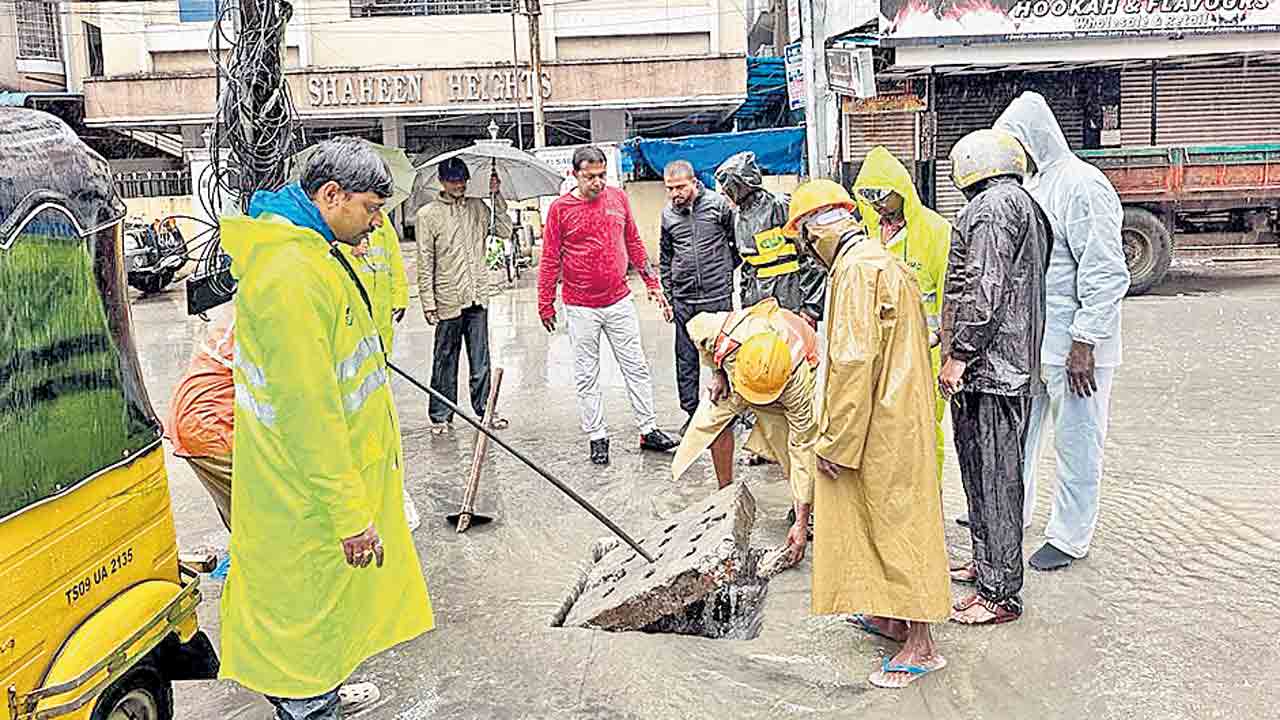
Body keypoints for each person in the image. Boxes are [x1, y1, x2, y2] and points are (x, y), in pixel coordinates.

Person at [218, 137, 433, 720]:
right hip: (302, 490)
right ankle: (311, 705)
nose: (376, 223)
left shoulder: (314, 251)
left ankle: (319, 692)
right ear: (330, 195)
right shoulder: (291, 274)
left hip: (313, 482)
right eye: (370, 209)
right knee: (303, 621)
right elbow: (309, 411)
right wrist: (350, 514)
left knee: (323, 612)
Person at [784, 179, 951, 689]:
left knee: (899, 523)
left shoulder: (857, 272)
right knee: (878, 519)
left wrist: (835, 441)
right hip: (892, 414)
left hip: (881, 421)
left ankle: (921, 644)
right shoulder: (878, 259)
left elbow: (854, 363)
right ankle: (891, 615)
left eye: (805, 242)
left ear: (817, 235)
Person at [995, 91, 1131, 571]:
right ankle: (1012, 513)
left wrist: (1084, 341)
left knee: (1077, 442)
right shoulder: (1033, 186)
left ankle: (1070, 536)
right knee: (1020, 435)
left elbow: (1106, 270)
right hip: (1035, 343)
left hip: (1077, 350)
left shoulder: (1082, 184)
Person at [939, 129, 1052, 626]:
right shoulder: (1024, 204)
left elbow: (983, 287)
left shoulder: (988, 210)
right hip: (1006, 365)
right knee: (988, 478)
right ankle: (989, 567)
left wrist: (959, 355)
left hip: (990, 370)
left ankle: (1001, 592)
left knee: (995, 480)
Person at [537, 145, 680, 465]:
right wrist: (545, 301)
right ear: (574, 175)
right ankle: (597, 436)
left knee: (637, 366)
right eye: (590, 177)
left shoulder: (618, 199)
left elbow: (633, 241)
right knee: (587, 374)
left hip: (619, 300)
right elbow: (549, 259)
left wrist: (652, 282)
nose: (597, 182)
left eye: (602, 175)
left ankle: (648, 429)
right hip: (580, 306)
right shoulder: (560, 210)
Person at [670, 298, 819, 557]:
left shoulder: (797, 382)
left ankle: (806, 511)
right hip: (740, 376)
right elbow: (694, 329)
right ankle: (725, 497)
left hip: (788, 370)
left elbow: (803, 448)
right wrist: (717, 373)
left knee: (789, 450)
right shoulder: (724, 333)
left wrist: (801, 523)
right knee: (711, 418)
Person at [852, 146, 951, 483]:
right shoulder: (867, 235)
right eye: (869, 196)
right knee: (883, 430)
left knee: (923, 428)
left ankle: (928, 500)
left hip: (926, 350)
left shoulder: (935, 231)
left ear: (902, 190)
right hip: (879, 349)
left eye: (882, 194)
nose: (877, 204)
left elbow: (949, 294)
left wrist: (944, 342)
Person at [416, 156, 511, 435]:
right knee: (445, 358)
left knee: (481, 358)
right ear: (442, 182)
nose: (458, 185)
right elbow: (424, 260)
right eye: (453, 180)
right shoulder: (428, 215)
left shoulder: (478, 207)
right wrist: (428, 302)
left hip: (477, 294)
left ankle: (485, 411)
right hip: (447, 297)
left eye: (462, 180)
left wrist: (497, 197)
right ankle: (440, 415)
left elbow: (504, 230)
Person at [659, 160, 740, 423]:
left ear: (694, 182)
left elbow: (736, 242)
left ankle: (730, 409)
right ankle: (692, 414)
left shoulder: (718, 206)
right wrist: (669, 297)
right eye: (669, 189)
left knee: (725, 355)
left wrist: (725, 271)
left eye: (679, 187)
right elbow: (665, 256)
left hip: (717, 294)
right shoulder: (668, 215)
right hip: (684, 299)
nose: (674, 194)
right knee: (686, 359)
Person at [713, 151, 824, 323]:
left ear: (739, 186)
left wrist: (811, 309)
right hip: (757, 303)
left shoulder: (780, 206)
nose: (723, 194)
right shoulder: (737, 217)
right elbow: (748, 265)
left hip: (790, 300)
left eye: (726, 188)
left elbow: (812, 257)